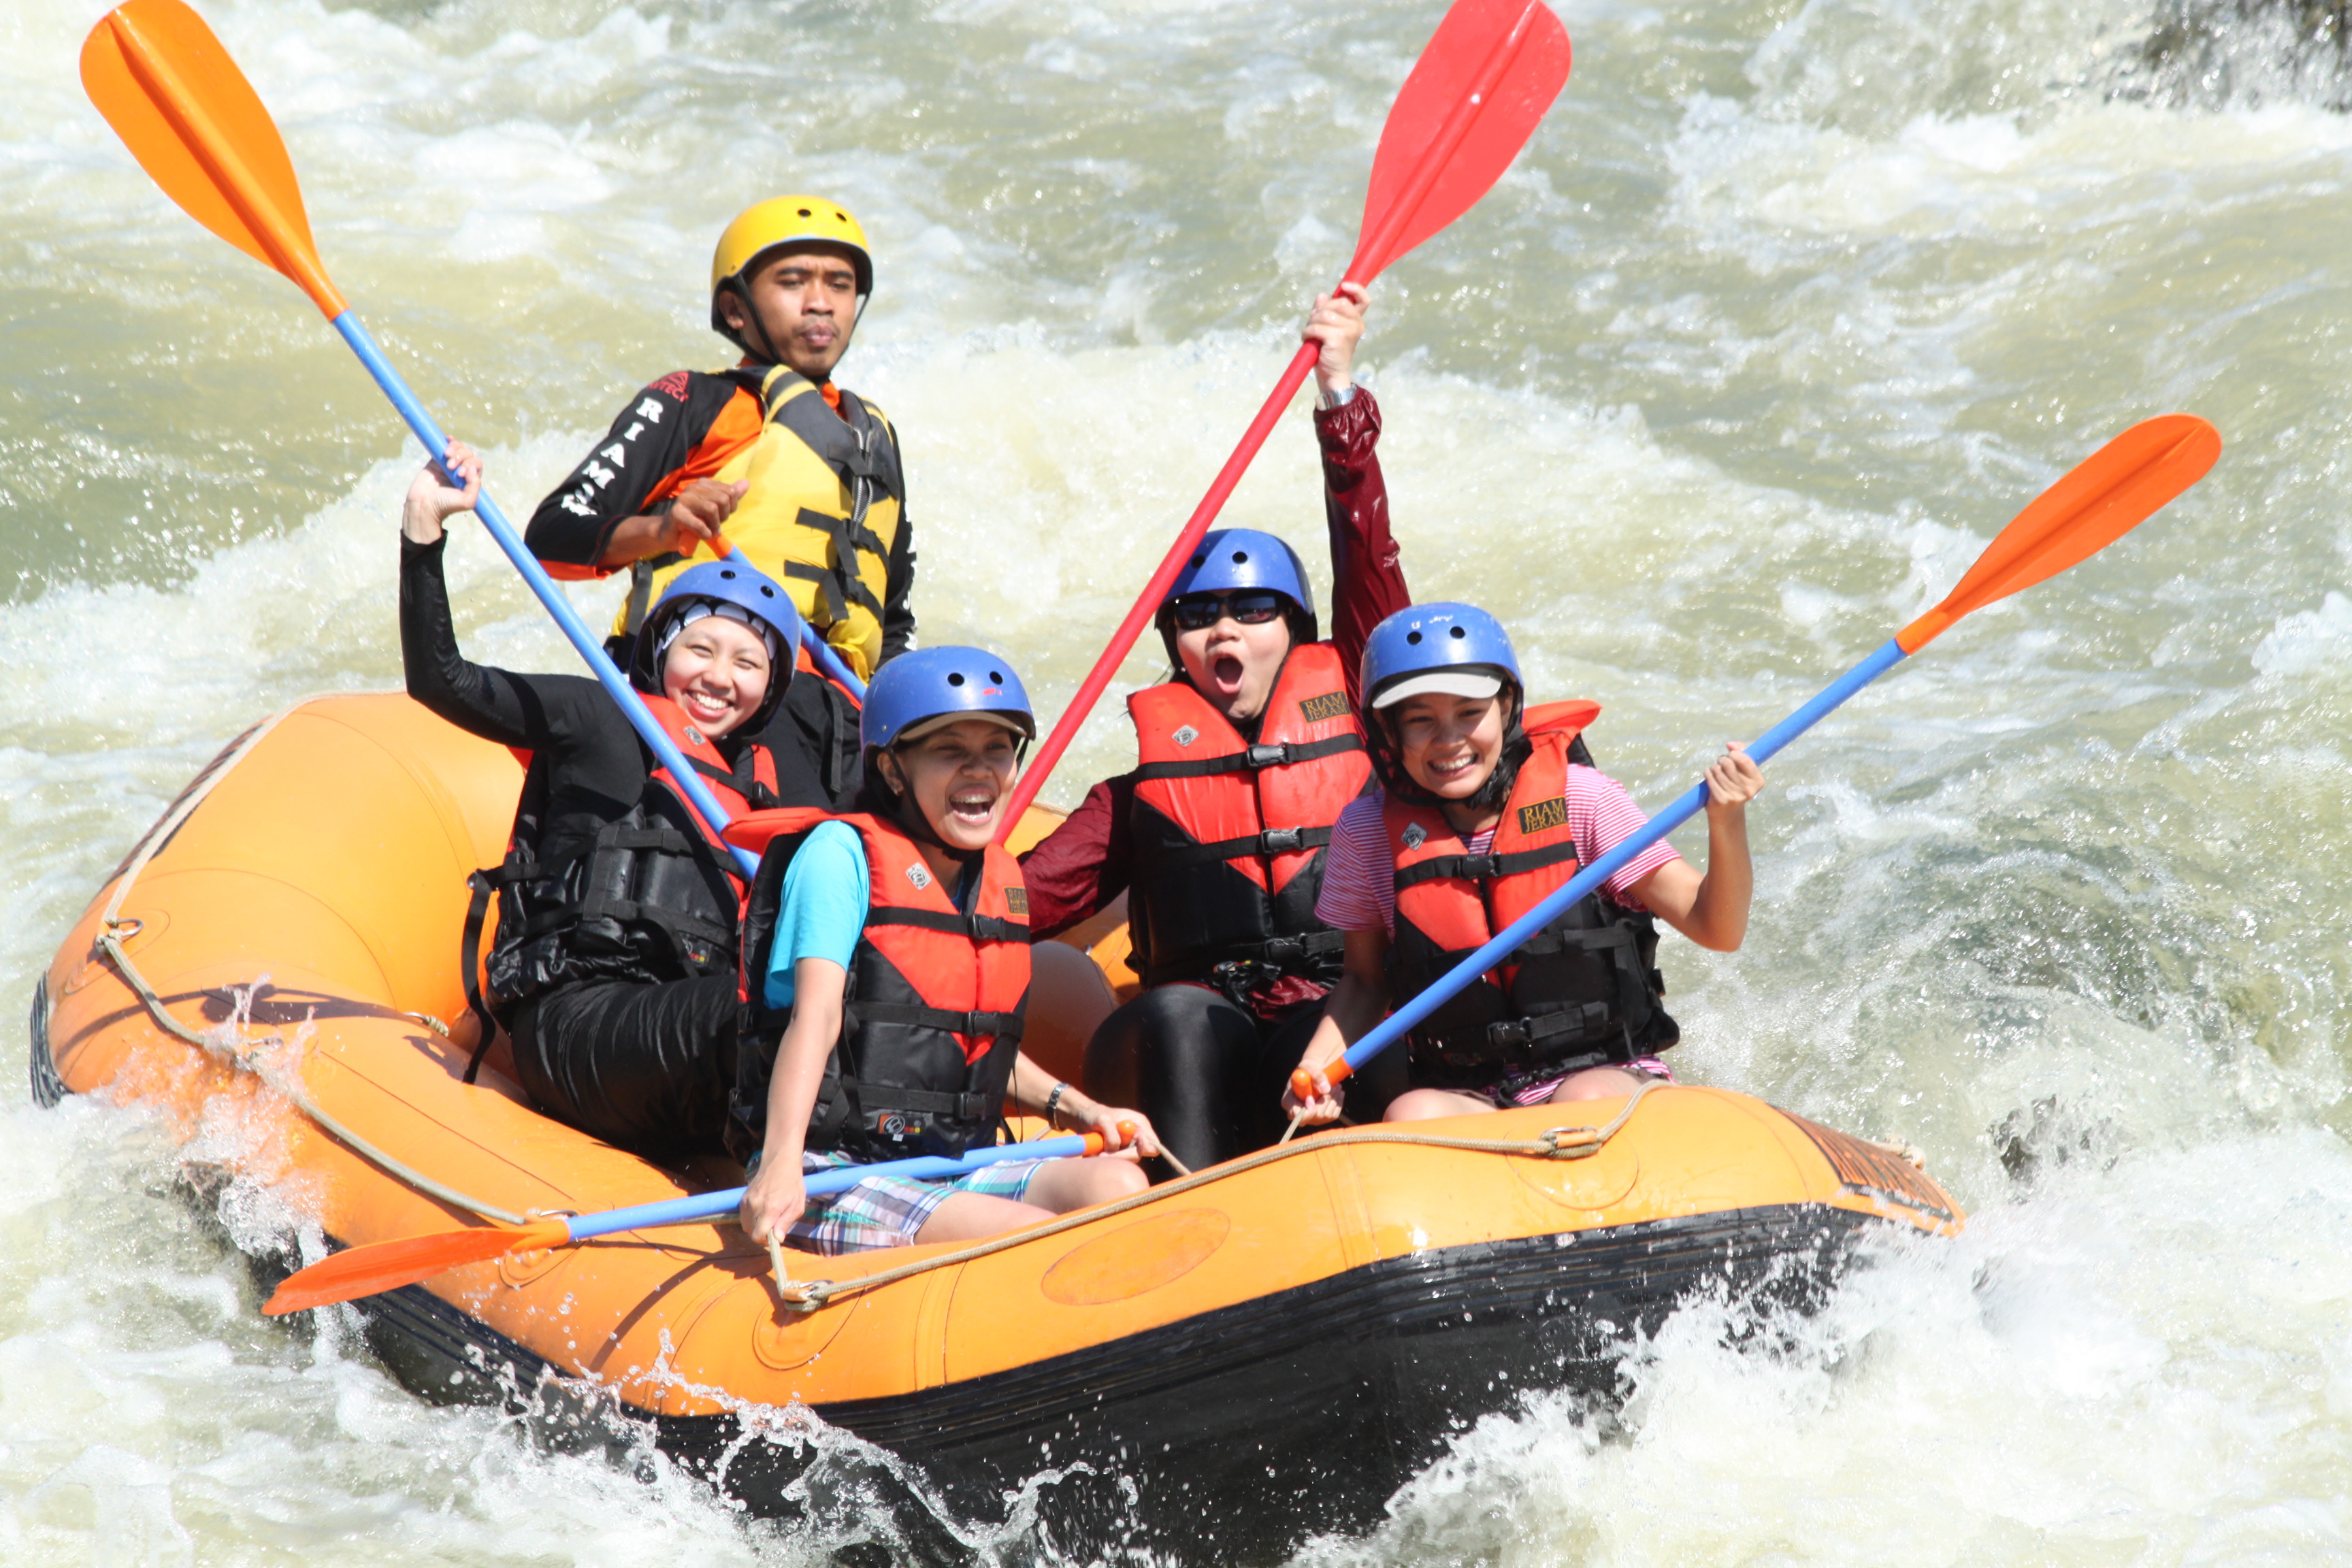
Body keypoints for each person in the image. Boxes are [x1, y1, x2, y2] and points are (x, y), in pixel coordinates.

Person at [1018, 284, 1411, 1173]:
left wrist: (1340, 400)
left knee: (1360, 1022)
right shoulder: (1136, 800)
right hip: (1203, 1045)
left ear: (1299, 633)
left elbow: (1370, 566)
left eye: (1252, 610)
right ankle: (1187, 1224)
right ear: (1177, 648)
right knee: (1169, 1019)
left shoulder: (1368, 723)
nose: (1224, 629)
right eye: (1199, 617)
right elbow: (1016, 902)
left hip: (1333, 1024)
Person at [402, 442, 824, 1160]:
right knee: (784, 1003)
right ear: (661, 653)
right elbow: (443, 680)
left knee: (837, 989)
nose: (719, 677)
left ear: (770, 690)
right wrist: (423, 529)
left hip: (679, 1051)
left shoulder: (760, 793)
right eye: (701, 650)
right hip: (579, 1022)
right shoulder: (599, 714)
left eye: (747, 663)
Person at [730, 649, 1160, 1254]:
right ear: (894, 770)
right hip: (837, 1168)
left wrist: (1082, 1109)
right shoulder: (839, 854)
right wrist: (780, 1164)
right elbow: (815, 1018)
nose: (979, 771)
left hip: (956, 1159)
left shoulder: (992, 878)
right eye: (951, 751)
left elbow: (972, 1044)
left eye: (997, 750)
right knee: (1030, 1243)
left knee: (1120, 1184)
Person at [1285, 603, 1766, 1127]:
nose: (1449, 741)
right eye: (1421, 721)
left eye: (1470, 713)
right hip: (1470, 1090)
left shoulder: (1581, 800)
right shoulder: (1368, 831)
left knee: (1582, 1100)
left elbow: (1716, 927)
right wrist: (1317, 1069)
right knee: (1410, 1112)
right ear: (1387, 732)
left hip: (1606, 1072)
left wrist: (1727, 821)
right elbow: (1363, 979)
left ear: (1507, 705)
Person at [523, 195, 913, 799]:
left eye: (841, 284)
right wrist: (663, 530)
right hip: (714, 706)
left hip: (838, 722)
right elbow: (551, 536)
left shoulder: (874, 440)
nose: (821, 301)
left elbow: (890, 619)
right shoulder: (695, 402)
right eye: (792, 280)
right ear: (735, 308)